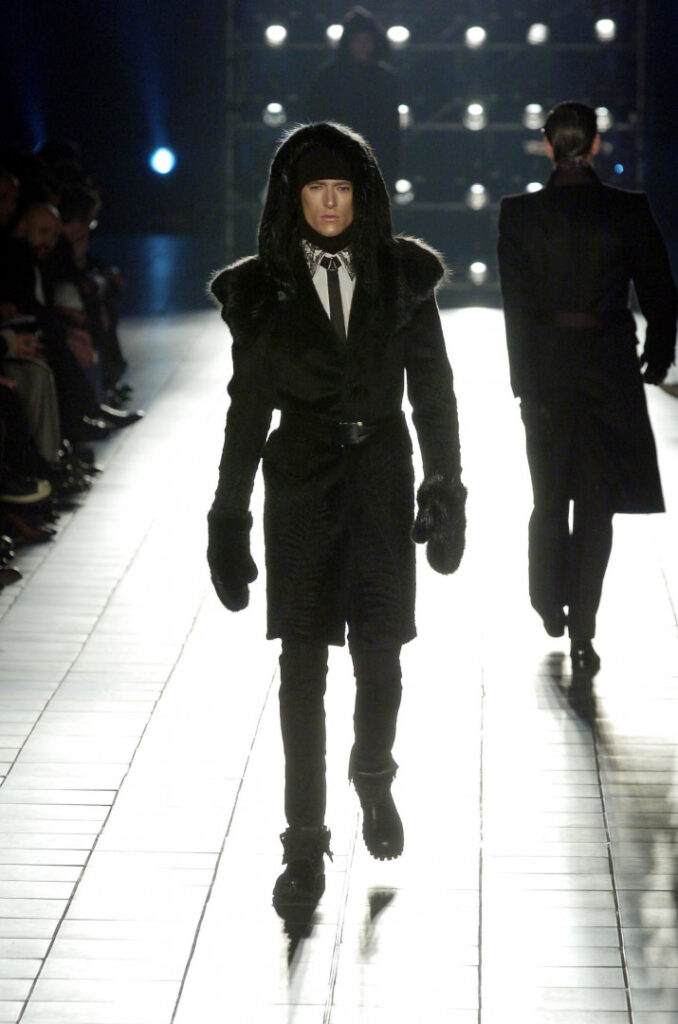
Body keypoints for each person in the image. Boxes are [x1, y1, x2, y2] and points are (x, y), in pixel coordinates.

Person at [207, 122, 466, 911]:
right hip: (301, 482)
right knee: (301, 670)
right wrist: (228, 515)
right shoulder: (262, 291)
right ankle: (303, 845)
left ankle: (373, 774)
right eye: (315, 189)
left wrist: (446, 486)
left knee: (381, 657)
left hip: (381, 476)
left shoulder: (403, 278)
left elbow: (434, 389)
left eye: (341, 188)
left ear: (362, 195)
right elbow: (247, 409)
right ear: (293, 197)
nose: (328, 202)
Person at [498, 101, 677, 676]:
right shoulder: (628, 210)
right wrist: (657, 357)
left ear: (548, 146)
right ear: (596, 144)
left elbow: (517, 310)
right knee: (597, 506)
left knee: (550, 497)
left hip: (548, 373)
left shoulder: (520, 214)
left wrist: (524, 384)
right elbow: (660, 292)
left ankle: (549, 601)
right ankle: (582, 628)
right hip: (610, 370)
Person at [305, 7, 401, 193]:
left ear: (375, 43)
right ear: (348, 43)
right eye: (357, 40)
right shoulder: (328, 78)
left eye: (367, 40)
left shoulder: (386, 79)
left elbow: (392, 130)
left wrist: (390, 174)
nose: (363, 46)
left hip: (374, 163)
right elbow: (314, 122)